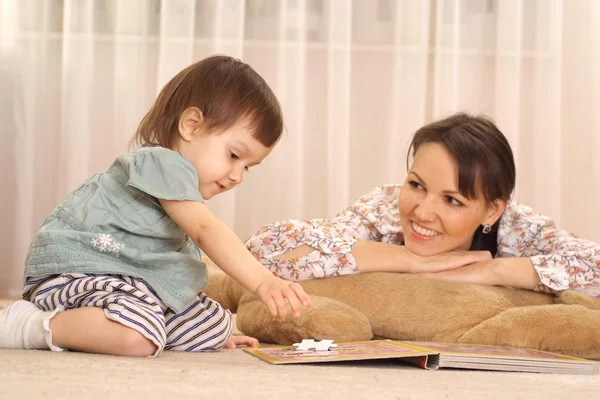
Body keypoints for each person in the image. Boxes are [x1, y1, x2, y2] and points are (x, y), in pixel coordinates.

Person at [0, 55, 312, 357]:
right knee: (138, 337)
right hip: (78, 270)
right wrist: (262, 280)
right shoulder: (163, 162)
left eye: (247, 167)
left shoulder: (180, 191)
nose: (237, 176)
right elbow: (207, 231)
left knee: (213, 325)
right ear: (190, 125)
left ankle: (120, 323)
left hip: (131, 278)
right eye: (234, 155)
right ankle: (29, 325)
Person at [246, 113, 600, 298]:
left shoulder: (519, 227)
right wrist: (411, 261)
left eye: (452, 200)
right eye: (416, 185)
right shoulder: (383, 207)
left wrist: (489, 271)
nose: (422, 212)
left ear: (492, 210)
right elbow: (266, 248)